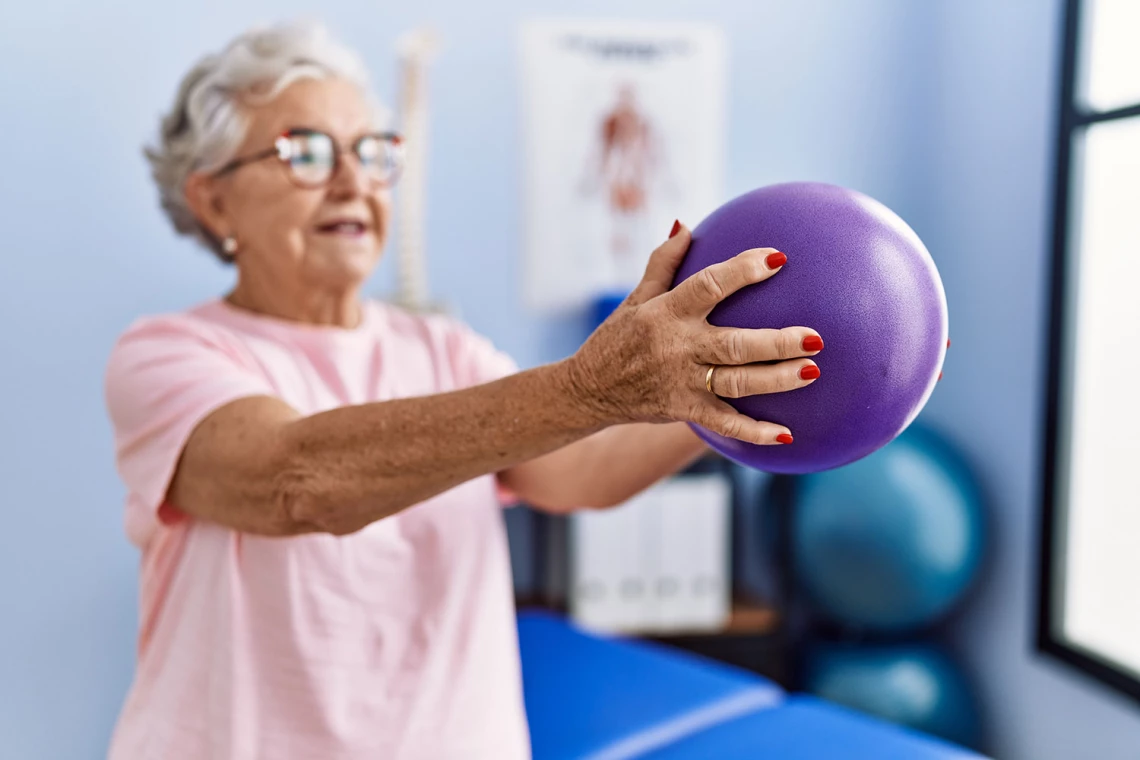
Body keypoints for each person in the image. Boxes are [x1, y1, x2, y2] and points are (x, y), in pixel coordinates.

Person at [103, 20, 823, 760]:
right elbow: (298, 481)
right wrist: (590, 386)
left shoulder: (442, 349)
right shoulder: (168, 356)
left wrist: (729, 381)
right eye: (307, 152)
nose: (354, 181)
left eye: (372, 151)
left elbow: (579, 471)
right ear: (213, 201)